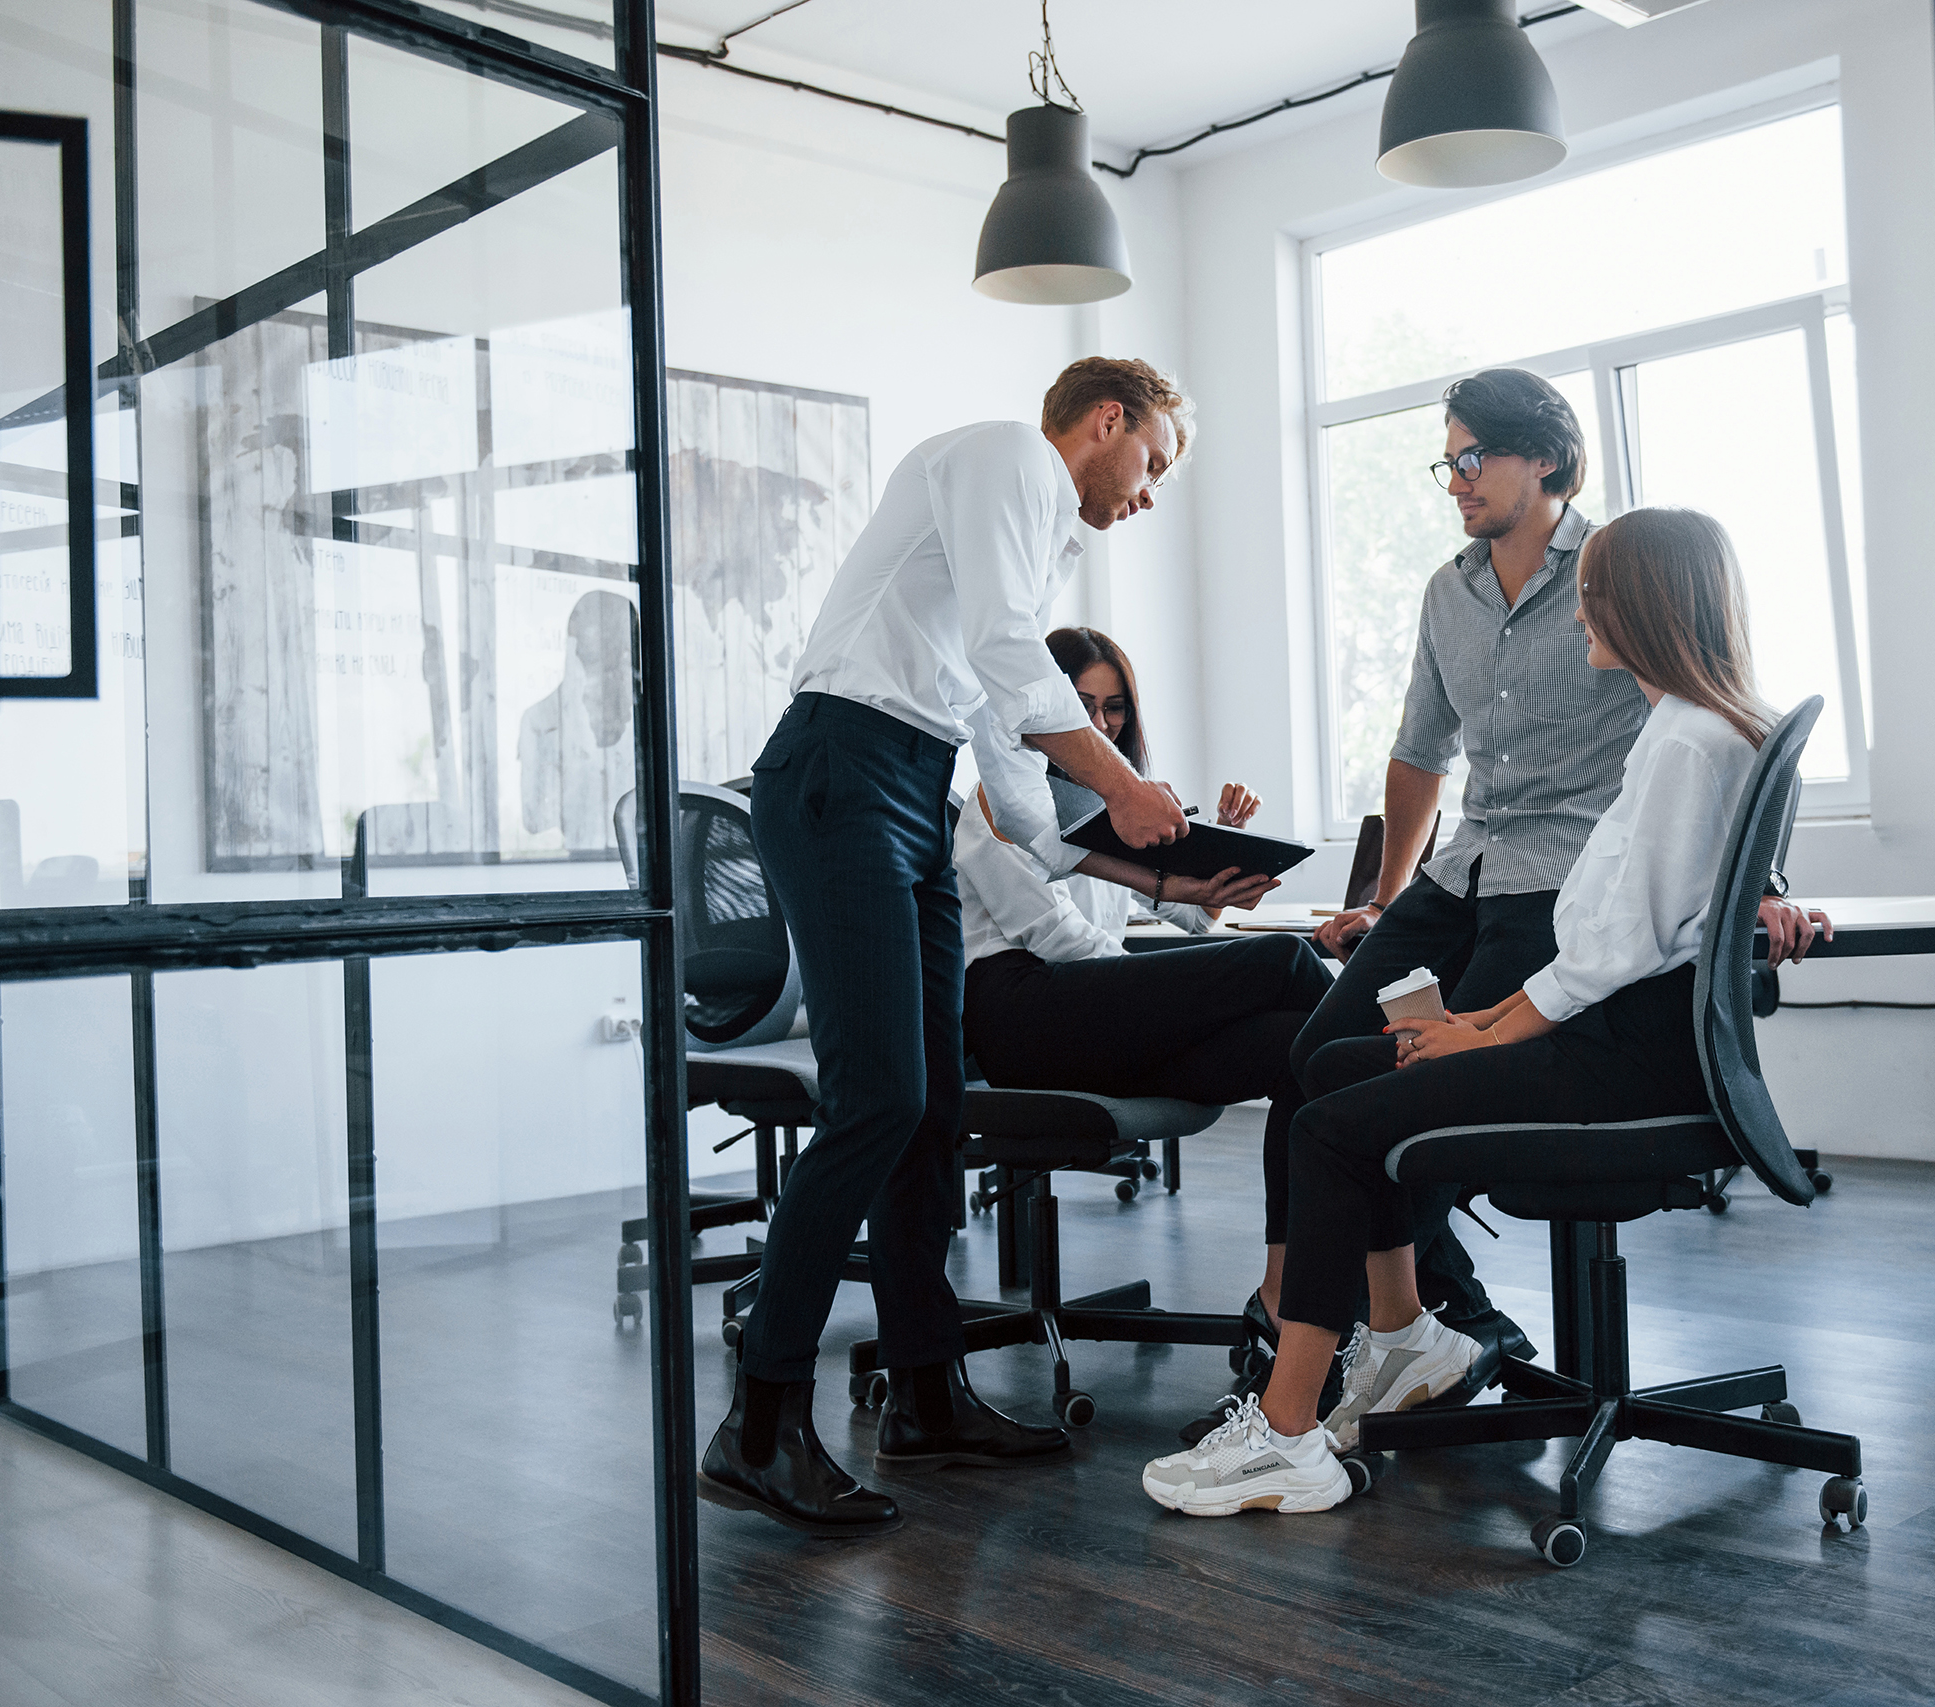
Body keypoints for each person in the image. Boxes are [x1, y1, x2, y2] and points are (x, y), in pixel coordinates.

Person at [1140, 505, 1832, 1518]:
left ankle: (1287, 1433)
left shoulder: (1681, 743)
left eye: (1593, 590)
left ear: (1637, 604)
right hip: (1625, 1035)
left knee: (1334, 1127)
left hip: (1625, 1058)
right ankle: (1408, 1335)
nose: (1579, 608)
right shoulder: (1700, 729)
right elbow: (1608, 938)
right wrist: (1471, 1026)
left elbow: (1607, 953)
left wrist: (1482, 1029)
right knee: (1336, 1065)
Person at [700, 359, 1196, 1539]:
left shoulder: (1030, 534)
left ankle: (926, 1393)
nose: (1148, 493)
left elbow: (1010, 769)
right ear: (1107, 421)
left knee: (931, 1105)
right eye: (1155, 463)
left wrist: (1151, 869)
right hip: (840, 768)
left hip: (911, 786)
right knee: (876, 1101)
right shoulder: (1007, 457)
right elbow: (1008, 655)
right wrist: (1124, 783)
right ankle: (760, 1422)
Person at [956, 627, 1336, 1244]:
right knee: (1282, 962)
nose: (1100, 726)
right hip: (1025, 1017)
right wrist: (1162, 997)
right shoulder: (995, 804)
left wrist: (1216, 876)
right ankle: (1414, 1071)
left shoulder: (1111, 808)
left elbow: (1185, 917)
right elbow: (1055, 939)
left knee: (1301, 1049)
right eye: (1080, 708)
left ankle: (1290, 1293)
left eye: (1113, 709)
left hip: (1097, 1018)